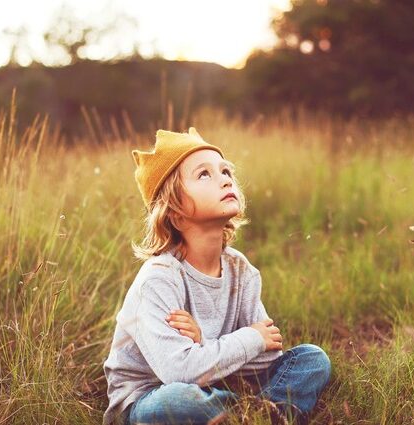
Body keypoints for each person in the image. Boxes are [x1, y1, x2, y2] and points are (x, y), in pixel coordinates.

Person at [102, 128, 331, 425]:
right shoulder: (158, 280)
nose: (225, 179)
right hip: (150, 395)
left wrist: (205, 342)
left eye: (225, 171)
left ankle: (263, 415)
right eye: (204, 175)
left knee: (312, 359)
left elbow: (267, 355)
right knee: (179, 400)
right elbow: (179, 371)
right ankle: (254, 413)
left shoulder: (241, 270)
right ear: (176, 213)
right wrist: (248, 340)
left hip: (215, 378)